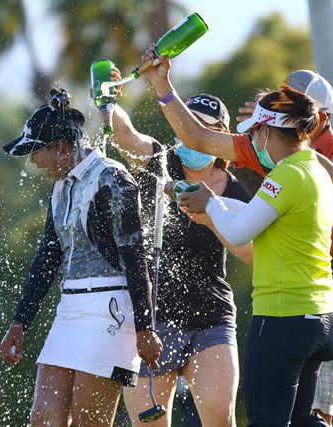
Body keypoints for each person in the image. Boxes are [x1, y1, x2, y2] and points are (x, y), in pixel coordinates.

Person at [144, 49, 333, 425]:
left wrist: (212, 201)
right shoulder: (284, 159)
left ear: (316, 117)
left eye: (300, 106)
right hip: (320, 306)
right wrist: (163, 87)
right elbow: (200, 139)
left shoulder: (315, 159)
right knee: (311, 416)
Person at [166, 83, 333, 426]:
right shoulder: (315, 170)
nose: (254, 143)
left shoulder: (285, 176)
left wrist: (211, 205)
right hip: (321, 319)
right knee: (302, 421)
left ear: (266, 130)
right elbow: (248, 212)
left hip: (282, 318)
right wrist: (203, 201)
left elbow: (238, 231)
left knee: (267, 421)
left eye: (256, 133)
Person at [0, 88, 162, 427]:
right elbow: (47, 258)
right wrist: (20, 322)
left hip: (112, 310)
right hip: (70, 310)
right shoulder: (61, 186)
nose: (33, 162)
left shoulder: (112, 178)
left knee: (90, 421)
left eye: (36, 152)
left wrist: (145, 328)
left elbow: (135, 256)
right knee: (44, 420)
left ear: (61, 147)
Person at [103, 76, 251, 427]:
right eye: (188, 123)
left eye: (204, 127)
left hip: (211, 318)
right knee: (148, 423)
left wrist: (211, 214)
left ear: (221, 136)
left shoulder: (238, 190)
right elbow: (126, 138)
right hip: (151, 322)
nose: (192, 132)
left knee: (219, 416)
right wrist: (110, 102)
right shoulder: (159, 162)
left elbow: (250, 253)